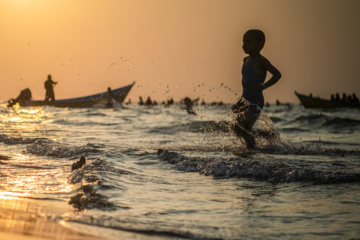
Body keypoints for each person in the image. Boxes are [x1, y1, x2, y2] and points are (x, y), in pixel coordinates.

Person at [232, 29, 281, 149]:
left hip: (256, 100)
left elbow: (277, 74)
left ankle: (252, 149)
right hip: (246, 100)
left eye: (248, 42)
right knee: (237, 129)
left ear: (260, 44)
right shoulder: (245, 60)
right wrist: (240, 102)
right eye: (243, 42)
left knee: (242, 128)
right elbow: (246, 85)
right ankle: (265, 136)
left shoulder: (260, 60)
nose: (244, 45)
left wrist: (265, 85)